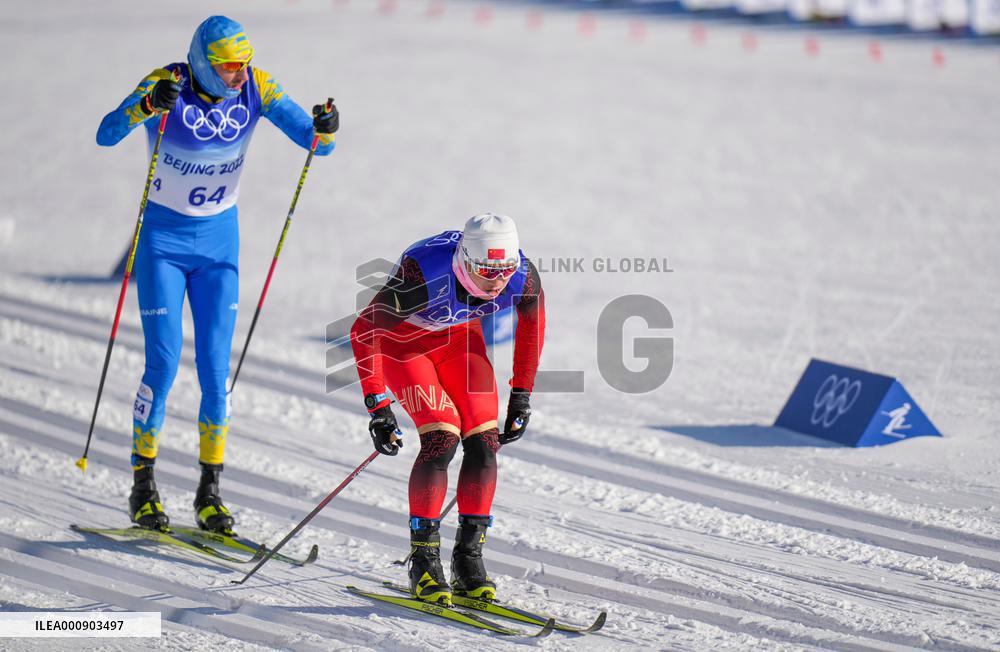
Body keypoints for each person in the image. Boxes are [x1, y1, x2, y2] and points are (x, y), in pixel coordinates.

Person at [96, 16, 339, 535]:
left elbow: (316, 143)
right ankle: (143, 483)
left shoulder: (257, 85)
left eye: (243, 64)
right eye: (229, 65)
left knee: (215, 373)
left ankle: (209, 492)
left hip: (218, 246)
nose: (238, 74)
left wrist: (324, 127)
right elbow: (105, 133)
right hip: (162, 245)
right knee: (162, 365)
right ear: (204, 62)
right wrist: (145, 106)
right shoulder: (168, 83)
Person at [350, 213, 546, 604]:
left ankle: (468, 560)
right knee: (442, 438)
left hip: (460, 342)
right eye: (487, 270)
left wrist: (522, 394)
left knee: (485, 441)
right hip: (404, 346)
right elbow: (364, 330)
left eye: (504, 269)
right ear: (464, 261)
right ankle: (424, 562)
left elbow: (531, 330)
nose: (497, 281)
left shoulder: (523, 276)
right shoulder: (424, 276)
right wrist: (378, 404)